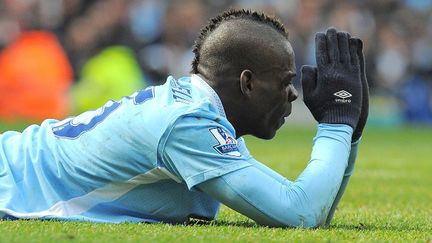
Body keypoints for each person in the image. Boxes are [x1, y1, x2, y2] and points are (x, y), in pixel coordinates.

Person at [0, 9, 369, 228]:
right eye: (285, 82)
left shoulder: (201, 110)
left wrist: (347, 132)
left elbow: (311, 211)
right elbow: (300, 212)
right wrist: (337, 123)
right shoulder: (188, 122)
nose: (293, 93)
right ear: (247, 83)